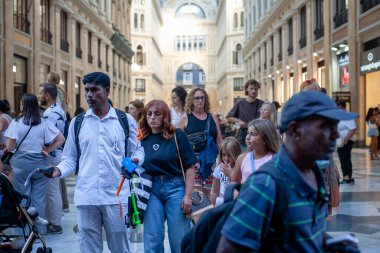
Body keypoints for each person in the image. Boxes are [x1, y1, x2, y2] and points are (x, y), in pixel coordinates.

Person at [217, 90, 359, 253]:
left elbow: (305, 231)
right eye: (324, 126)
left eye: (335, 125)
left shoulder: (313, 173)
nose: (335, 134)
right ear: (295, 130)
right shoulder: (266, 184)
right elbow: (229, 248)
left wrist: (330, 243)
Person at [41, 72, 144, 253]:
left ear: (107, 91)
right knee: (88, 248)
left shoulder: (124, 120)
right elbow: (70, 158)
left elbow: (138, 150)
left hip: (116, 198)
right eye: (87, 90)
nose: (89, 94)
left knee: (120, 247)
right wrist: (57, 171)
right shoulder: (78, 123)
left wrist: (134, 161)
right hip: (86, 196)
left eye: (94, 90)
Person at [140, 100, 197, 253]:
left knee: (178, 238)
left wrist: (188, 196)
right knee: (152, 238)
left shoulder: (177, 135)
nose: (152, 117)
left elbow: (190, 167)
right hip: (151, 189)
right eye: (149, 114)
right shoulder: (141, 139)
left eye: (157, 114)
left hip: (176, 188)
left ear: (165, 116)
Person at [5, 94, 65, 233]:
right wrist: (47, 149)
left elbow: (9, 147)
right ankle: (39, 231)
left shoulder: (16, 122)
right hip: (40, 164)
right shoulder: (43, 122)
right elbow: (60, 139)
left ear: (23, 105)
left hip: (21, 165)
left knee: (21, 198)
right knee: (40, 199)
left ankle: (24, 231)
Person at [178, 88, 223, 196]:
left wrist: (223, 160)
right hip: (193, 164)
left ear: (205, 99)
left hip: (211, 162)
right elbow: (178, 143)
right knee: (197, 196)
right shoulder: (185, 117)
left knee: (211, 194)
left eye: (202, 97)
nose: (200, 100)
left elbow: (220, 141)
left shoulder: (212, 117)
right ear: (191, 100)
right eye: (196, 98)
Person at [38, 82, 68, 234]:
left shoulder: (50, 114)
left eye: (40, 93)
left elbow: (49, 137)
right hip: (56, 155)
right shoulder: (58, 110)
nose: (39, 96)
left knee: (52, 192)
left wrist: (46, 149)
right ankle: (53, 222)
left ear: (47, 95)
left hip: (52, 156)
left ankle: (55, 224)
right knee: (52, 190)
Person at [231, 119, 279, 184]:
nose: (247, 137)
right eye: (248, 133)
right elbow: (234, 182)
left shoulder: (275, 159)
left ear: (265, 138)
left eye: (253, 134)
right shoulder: (242, 158)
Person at [227, 79, 264, 149]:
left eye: (256, 89)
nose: (254, 91)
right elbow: (229, 117)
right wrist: (238, 121)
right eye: (251, 88)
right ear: (247, 89)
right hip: (243, 139)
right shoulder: (240, 103)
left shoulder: (262, 104)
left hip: (258, 139)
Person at [210, 137, 242, 206]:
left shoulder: (240, 168)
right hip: (221, 202)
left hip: (235, 202)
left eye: (230, 155)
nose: (226, 158)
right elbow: (215, 191)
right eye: (224, 154)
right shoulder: (219, 168)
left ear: (236, 154)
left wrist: (230, 175)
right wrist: (213, 205)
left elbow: (241, 189)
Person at [337, 101, 357, 184]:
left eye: (339, 108)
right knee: (343, 158)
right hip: (340, 141)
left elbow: (353, 129)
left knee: (345, 158)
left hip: (346, 141)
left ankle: (347, 177)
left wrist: (346, 139)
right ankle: (348, 176)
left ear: (343, 107)